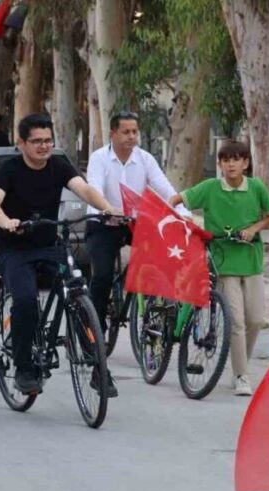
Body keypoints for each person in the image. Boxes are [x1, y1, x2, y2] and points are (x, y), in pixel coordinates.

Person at [0, 113, 122, 396]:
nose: (44, 146)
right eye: (37, 141)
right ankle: (23, 368)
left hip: (50, 246)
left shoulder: (58, 166)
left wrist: (108, 208)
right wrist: (6, 222)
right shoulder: (9, 170)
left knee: (79, 295)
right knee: (24, 302)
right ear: (21, 143)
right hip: (16, 248)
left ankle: (99, 369)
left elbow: (83, 188)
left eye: (48, 140)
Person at [171, 141, 269, 396]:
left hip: (252, 261)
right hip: (222, 262)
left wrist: (253, 229)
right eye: (225, 160)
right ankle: (242, 375)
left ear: (245, 163)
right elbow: (179, 198)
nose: (231, 164)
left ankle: (240, 364)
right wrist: (172, 214)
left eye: (236, 159)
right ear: (219, 164)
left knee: (254, 319)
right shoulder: (209, 188)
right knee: (237, 321)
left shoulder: (256, 187)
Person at [85, 111, 180, 365]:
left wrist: (183, 213)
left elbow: (165, 190)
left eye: (135, 131)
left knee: (159, 263)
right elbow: (93, 188)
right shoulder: (99, 158)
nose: (131, 137)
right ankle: (94, 332)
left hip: (134, 224)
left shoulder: (145, 159)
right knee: (102, 276)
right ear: (113, 134)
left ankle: (152, 326)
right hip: (103, 222)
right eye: (126, 132)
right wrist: (107, 208)